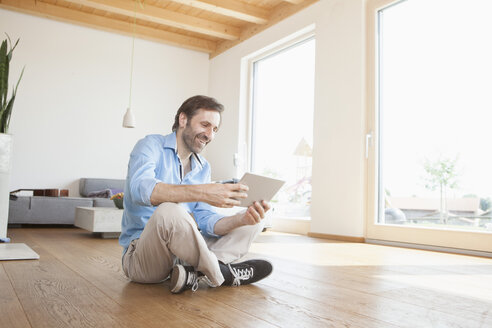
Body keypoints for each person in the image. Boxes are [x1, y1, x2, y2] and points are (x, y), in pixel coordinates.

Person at [119, 95, 273, 294]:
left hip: (183, 255)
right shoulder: (150, 145)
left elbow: (206, 221)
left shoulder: (203, 167)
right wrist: (205, 191)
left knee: (253, 222)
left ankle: (192, 274)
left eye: (215, 129)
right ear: (183, 120)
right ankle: (220, 274)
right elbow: (141, 190)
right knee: (169, 210)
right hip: (143, 258)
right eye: (205, 125)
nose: (210, 135)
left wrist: (241, 219)